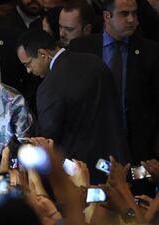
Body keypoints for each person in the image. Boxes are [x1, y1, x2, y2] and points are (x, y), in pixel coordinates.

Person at [16, 30, 129, 184]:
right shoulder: (95, 61)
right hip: (115, 163)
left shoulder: (50, 86)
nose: (28, 70)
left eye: (28, 64)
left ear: (42, 54)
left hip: (81, 172)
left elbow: (48, 137)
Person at [68, 0, 159, 170]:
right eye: (124, 14)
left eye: (135, 13)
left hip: (137, 149)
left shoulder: (150, 52)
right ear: (107, 16)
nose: (132, 19)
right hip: (90, 145)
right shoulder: (80, 48)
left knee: (138, 194)